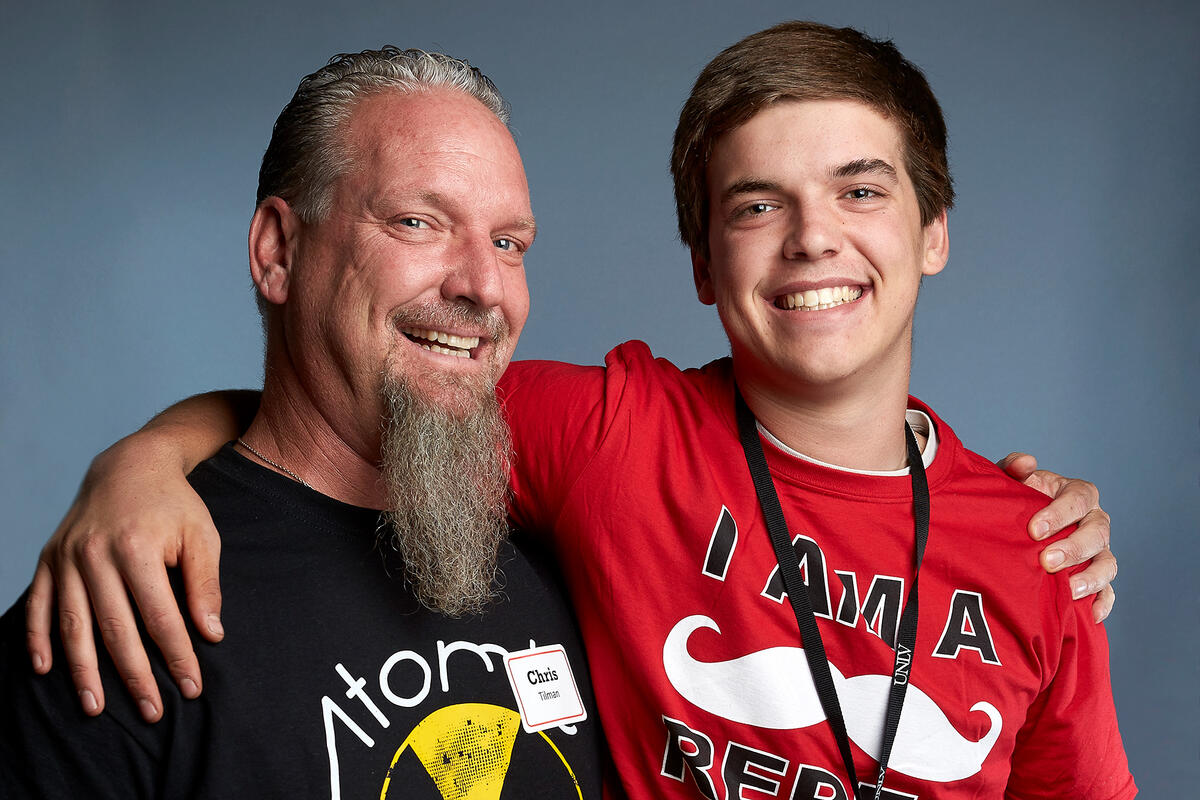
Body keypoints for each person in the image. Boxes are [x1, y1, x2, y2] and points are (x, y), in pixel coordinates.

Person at [19, 21, 1130, 799]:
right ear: (701, 261)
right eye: (757, 203)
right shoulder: (605, 436)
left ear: (934, 231)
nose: (814, 237)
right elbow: (344, 404)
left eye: (861, 188)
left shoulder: (1041, 547)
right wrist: (141, 461)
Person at [0, 48, 605, 798]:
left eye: (509, 243)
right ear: (279, 251)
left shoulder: (559, 558)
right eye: (418, 222)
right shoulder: (121, 602)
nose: (483, 286)